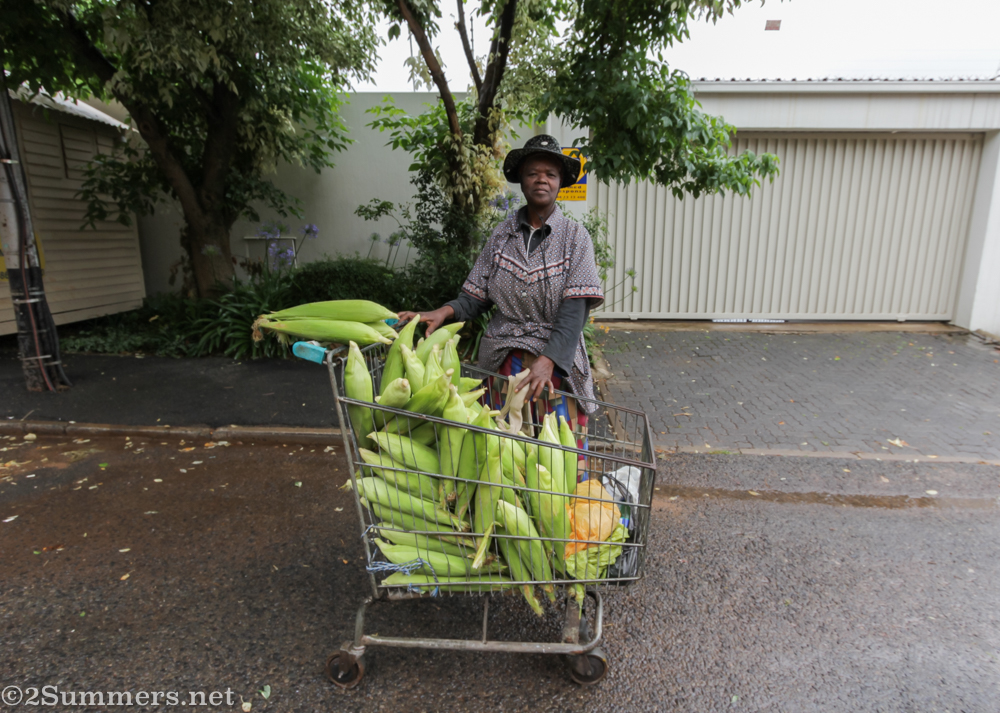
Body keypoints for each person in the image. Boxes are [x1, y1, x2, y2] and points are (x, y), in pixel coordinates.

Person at [398, 134, 604, 436]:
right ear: (521, 180)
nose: (541, 180)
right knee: (504, 446)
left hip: (555, 361)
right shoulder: (503, 234)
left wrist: (548, 361)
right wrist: (444, 312)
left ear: (561, 182)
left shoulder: (576, 238)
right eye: (533, 173)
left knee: (559, 451)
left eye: (550, 174)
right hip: (504, 356)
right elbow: (476, 295)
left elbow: (575, 312)